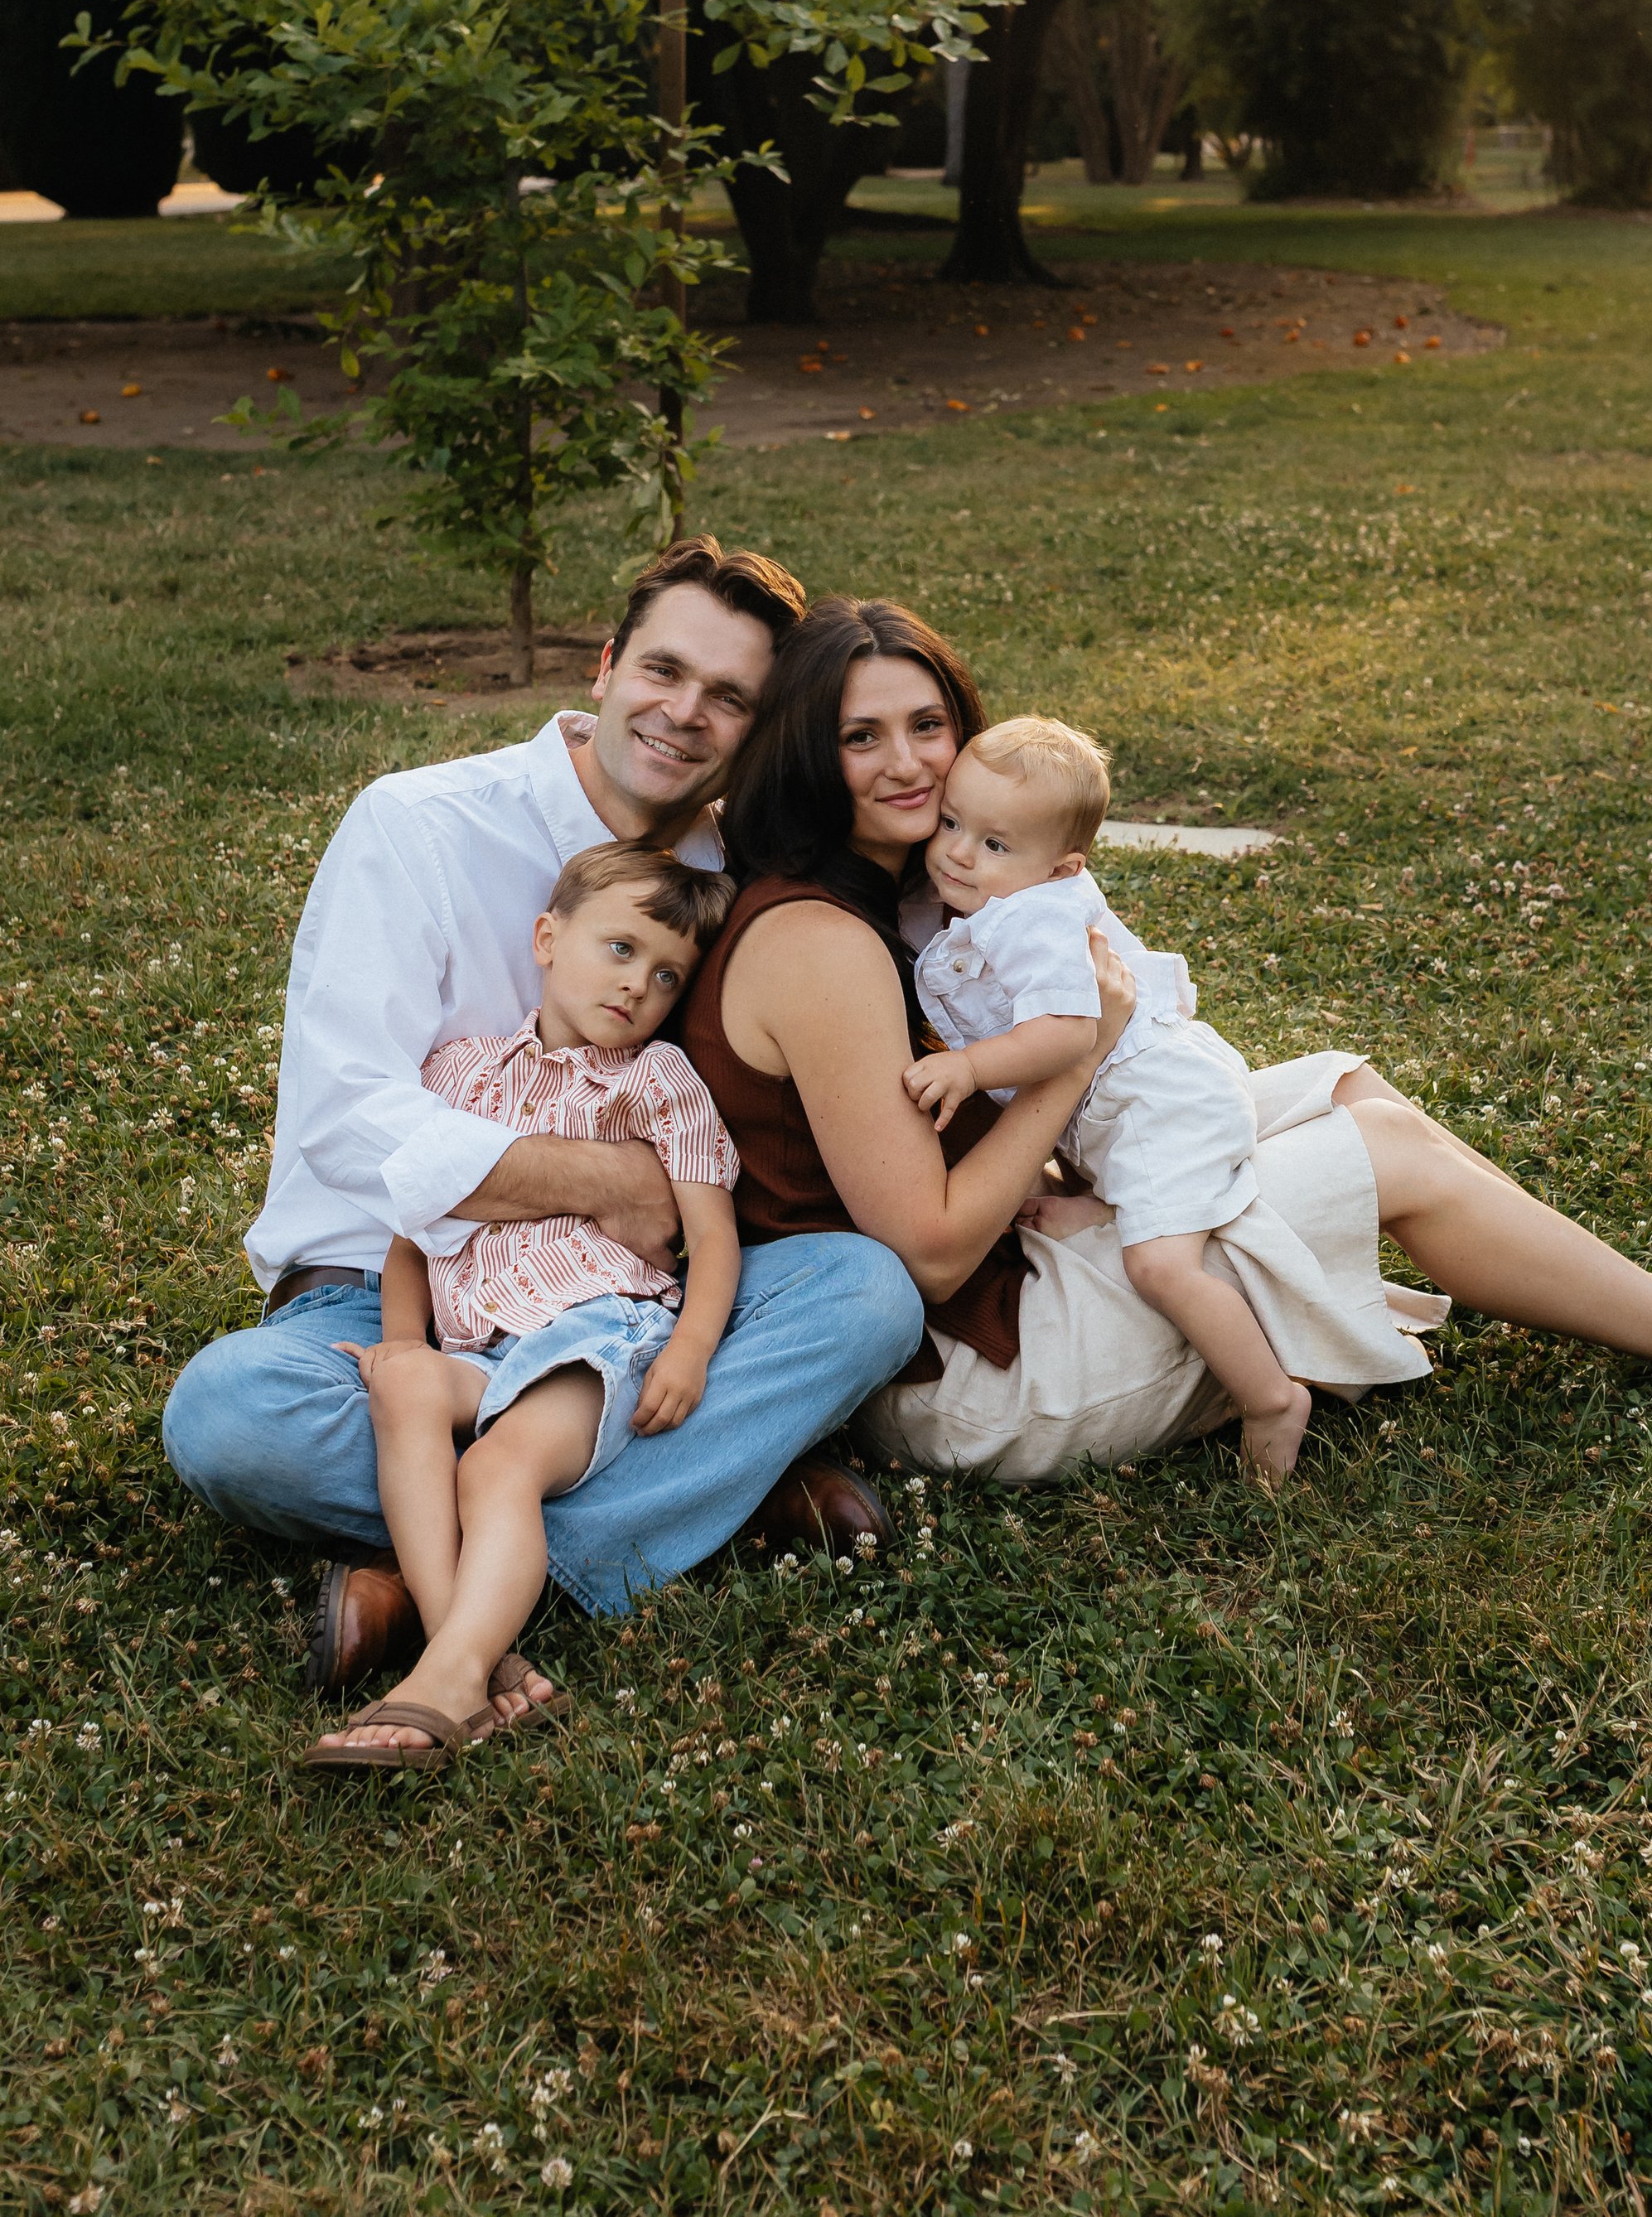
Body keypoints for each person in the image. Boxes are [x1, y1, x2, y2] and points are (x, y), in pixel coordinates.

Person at [679, 594, 1652, 1485]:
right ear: (809, 752)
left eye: (928, 724)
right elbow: (933, 1248)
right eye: (861, 736)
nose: (908, 762)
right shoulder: (820, 943)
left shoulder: (910, 892)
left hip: (1022, 1271)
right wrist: (1077, 1058)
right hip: (985, 1377)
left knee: (1344, 1084)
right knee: (1380, 1151)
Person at [162, 537, 922, 1718]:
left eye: (730, 697)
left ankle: (433, 1582)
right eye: (663, 669)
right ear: (606, 663)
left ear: (758, 727)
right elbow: (353, 1117)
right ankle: (715, 1493)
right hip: (393, 1294)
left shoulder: (734, 863)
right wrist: (605, 1181)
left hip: (628, 1305)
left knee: (864, 1290)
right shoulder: (418, 824)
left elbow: (950, 908)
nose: (685, 712)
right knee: (230, 1416)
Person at [307, 843, 741, 1768]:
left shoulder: (657, 1079)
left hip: (601, 1322)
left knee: (494, 1468)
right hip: (484, 1344)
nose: (638, 985)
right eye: (620, 949)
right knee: (403, 1387)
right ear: (547, 938)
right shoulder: (459, 1072)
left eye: (667, 974)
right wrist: (401, 1343)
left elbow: (712, 1238)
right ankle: (468, 1654)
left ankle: (444, 1676)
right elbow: (413, 1234)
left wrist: (693, 1347)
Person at [906, 715, 1327, 1482]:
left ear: (1063, 867)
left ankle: (1271, 1397)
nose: (959, 853)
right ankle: (1109, 1203)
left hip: (1165, 1103)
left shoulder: (1033, 914)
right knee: (1112, 1194)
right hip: (1137, 1102)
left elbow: (1071, 1032)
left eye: (995, 844)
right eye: (952, 823)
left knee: (1161, 1268)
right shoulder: (1015, 896)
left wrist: (969, 1067)